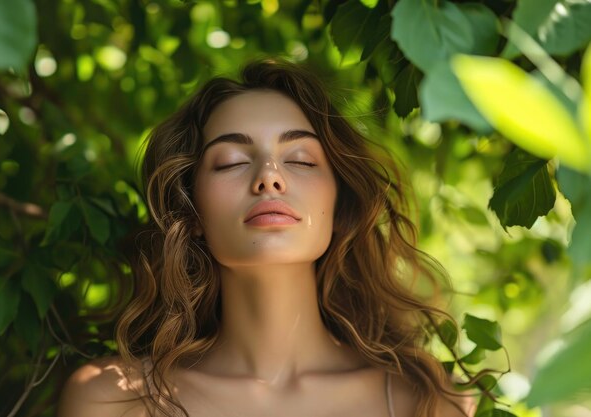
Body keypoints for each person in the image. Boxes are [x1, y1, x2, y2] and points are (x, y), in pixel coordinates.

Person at [57, 58, 475, 417]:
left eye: (300, 160)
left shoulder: (426, 401)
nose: (269, 177)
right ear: (191, 209)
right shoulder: (114, 402)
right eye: (231, 162)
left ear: (339, 201)